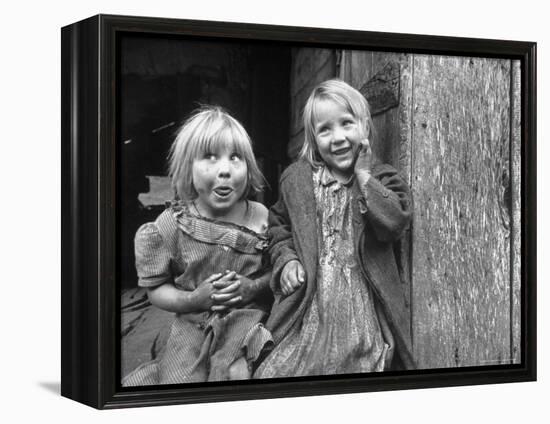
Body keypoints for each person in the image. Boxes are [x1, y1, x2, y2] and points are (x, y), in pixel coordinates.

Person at [254, 79, 415, 378]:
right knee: (277, 370)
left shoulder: (383, 178)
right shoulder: (298, 180)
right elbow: (277, 227)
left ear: (365, 127)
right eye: (325, 129)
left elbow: (393, 223)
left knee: (356, 366)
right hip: (310, 302)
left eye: (346, 124)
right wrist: (286, 259)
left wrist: (364, 176)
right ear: (313, 138)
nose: (337, 137)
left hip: (360, 307)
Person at [123, 106, 273, 386]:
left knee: (245, 373)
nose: (225, 170)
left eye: (235, 158)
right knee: (180, 381)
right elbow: (155, 289)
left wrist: (253, 287)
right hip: (192, 325)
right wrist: (192, 300)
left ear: (249, 167)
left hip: (249, 323)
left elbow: (275, 271)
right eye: (210, 158)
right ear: (187, 168)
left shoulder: (263, 217)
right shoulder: (173, 224)